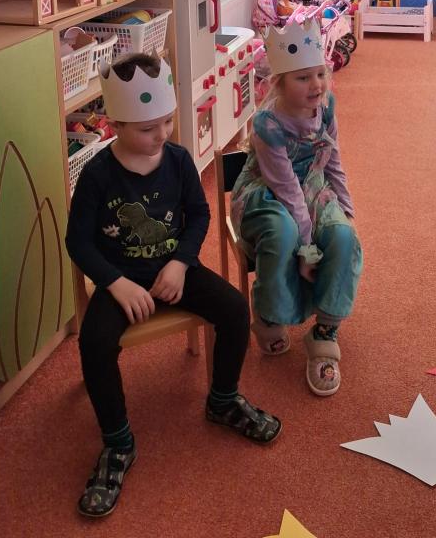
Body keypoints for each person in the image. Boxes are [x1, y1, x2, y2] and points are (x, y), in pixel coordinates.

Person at [66, 52, 281, 519]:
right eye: (148, 128)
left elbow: (199, 215)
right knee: (94, 343)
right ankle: (118, 442)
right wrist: (115, 283)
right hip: (122, 281)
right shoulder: (97, 175)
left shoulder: (179, 160)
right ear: (115, 125)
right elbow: (78, 242)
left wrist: (181, 263)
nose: (162, 133)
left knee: (233, 309)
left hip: (174, 271)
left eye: (168, 120)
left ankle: (223, 399)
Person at [231, 16, 362, 396]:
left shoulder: (327, 105)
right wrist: (307, 249)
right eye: (303, 78)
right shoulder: (268, 124)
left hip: (313, 187)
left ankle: (325, 330)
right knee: (283, 233)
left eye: (320, 74)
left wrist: (346, 209)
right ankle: (270, 316)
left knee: (343, 238)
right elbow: (286, 189)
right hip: (267, 192)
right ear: (280, 83)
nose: (316, 84)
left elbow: (332, 160)